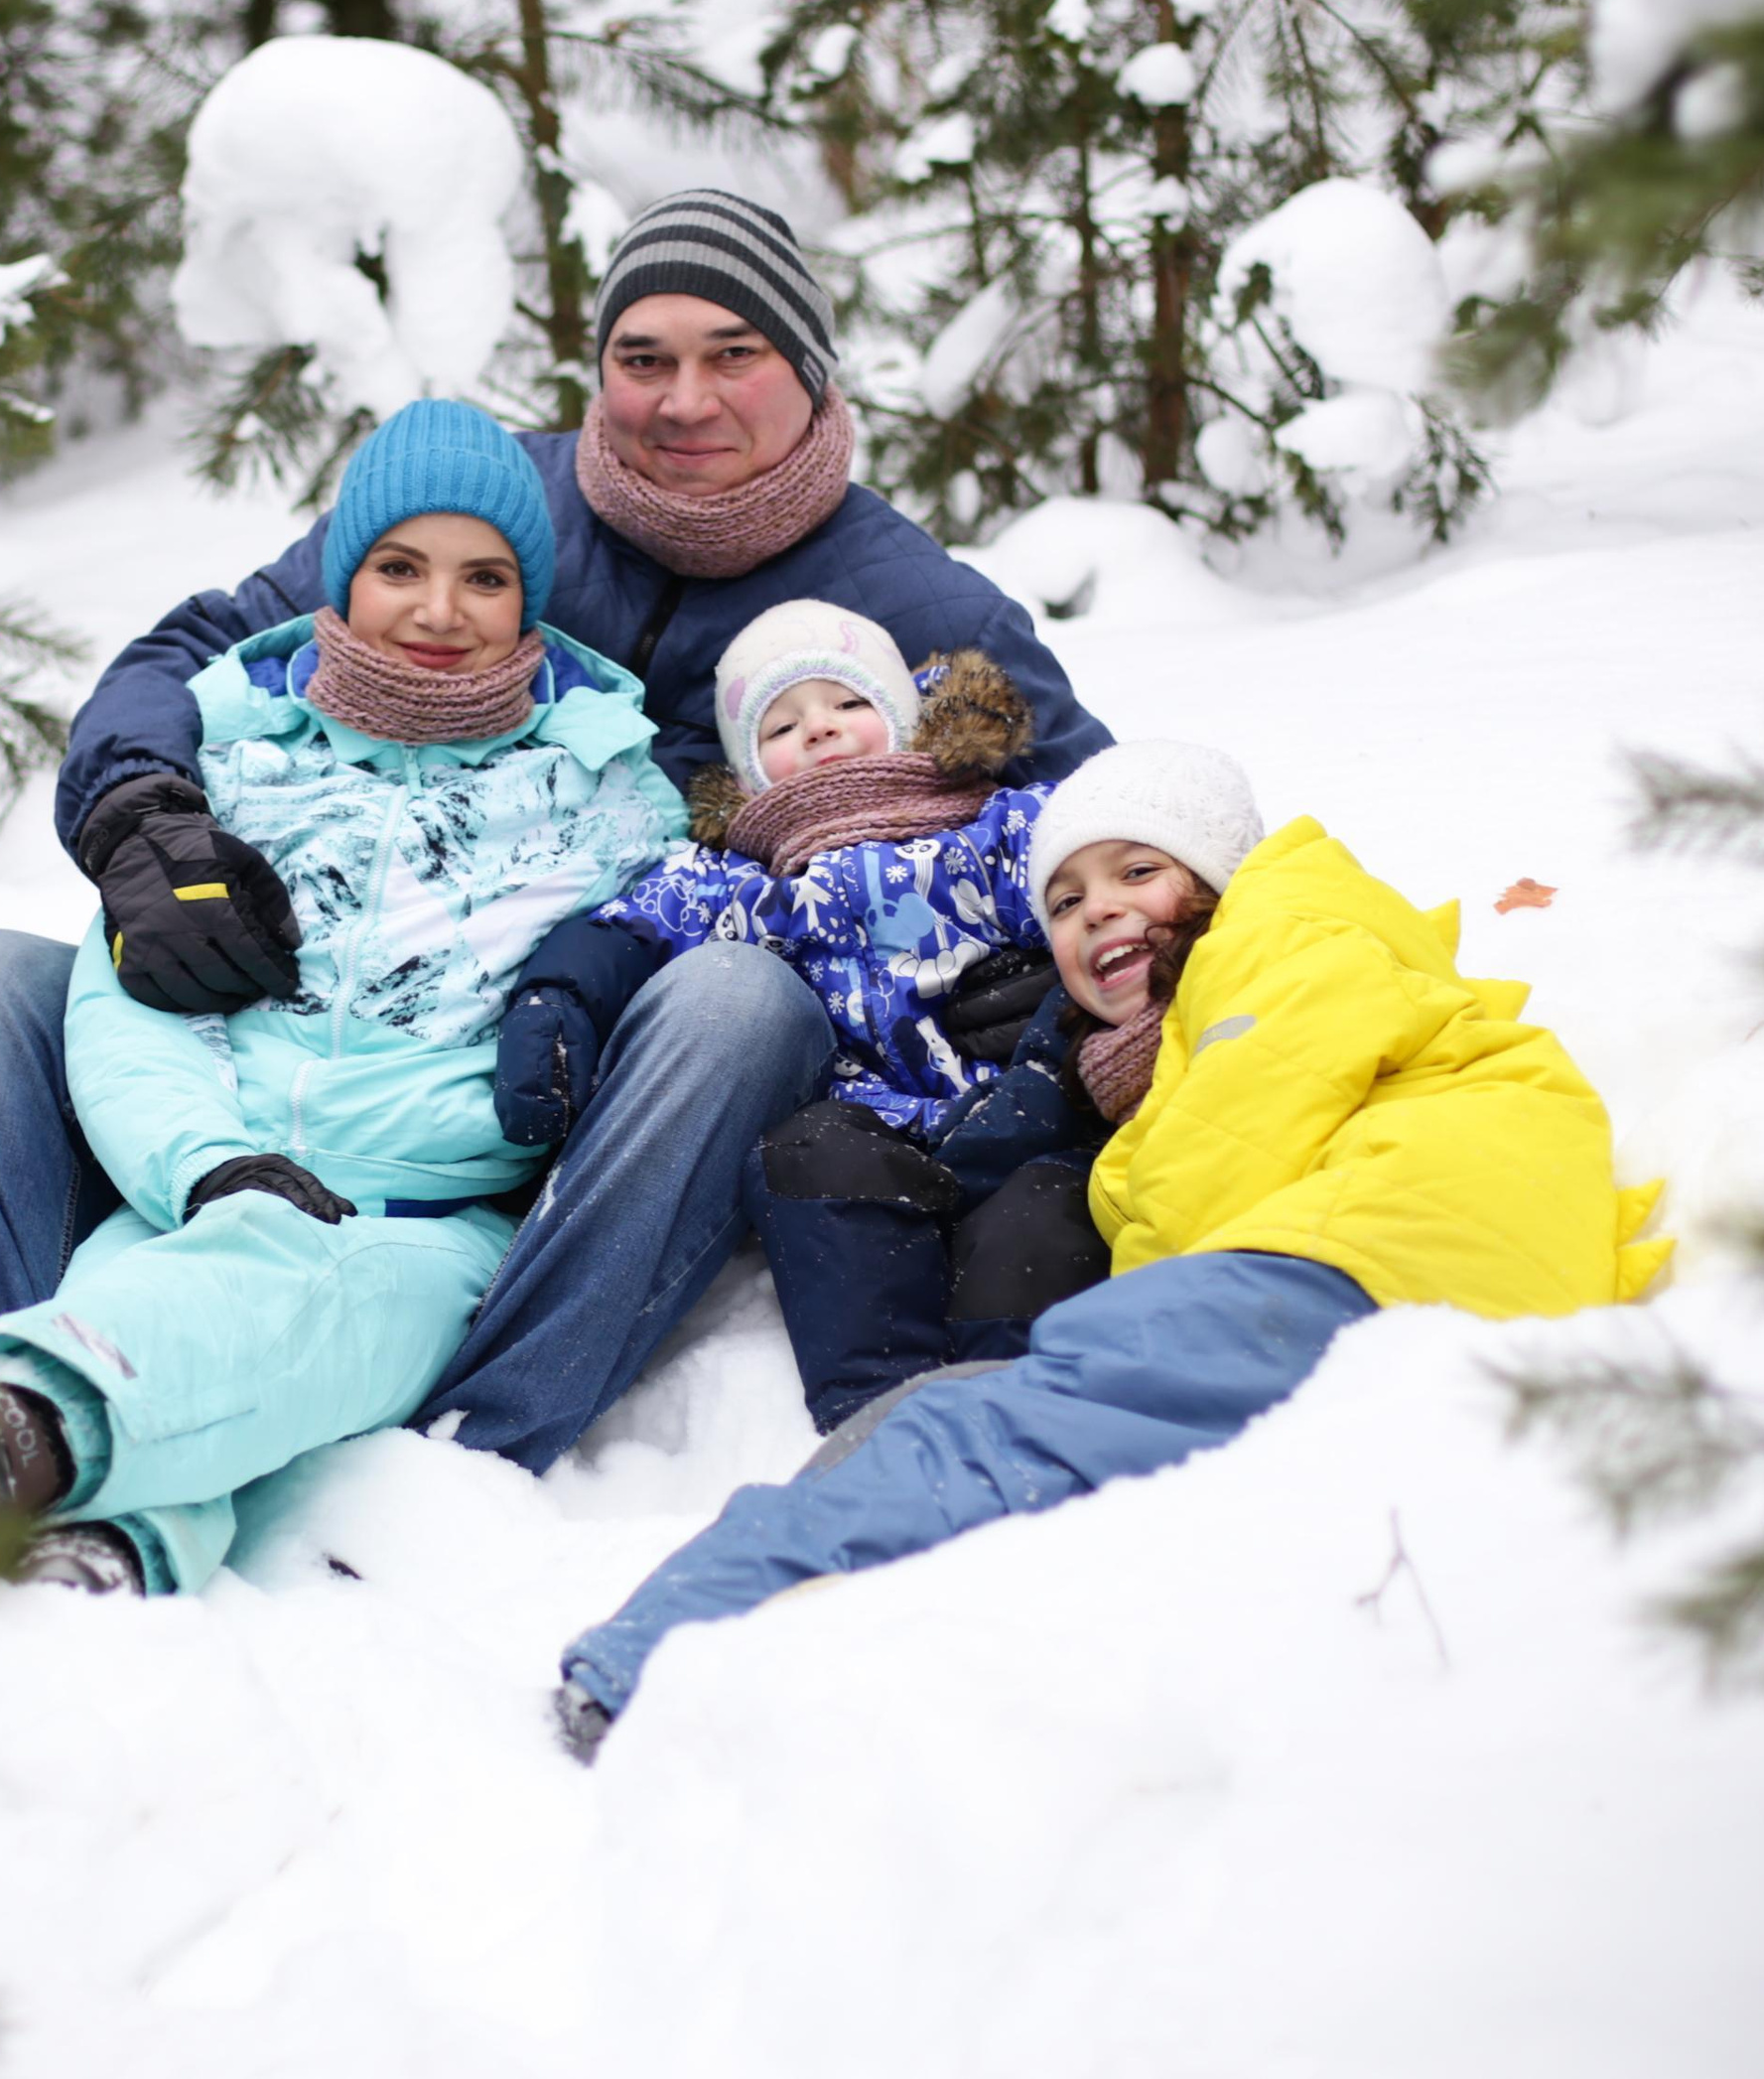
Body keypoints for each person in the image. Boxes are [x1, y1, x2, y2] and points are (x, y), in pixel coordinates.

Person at [0, 191, 1111, 1475]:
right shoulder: (484, 507)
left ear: (810, 370)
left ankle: (477, 1437)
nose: (684, 400)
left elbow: (1113, 833)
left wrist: (1052, 986)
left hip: (548, 1089)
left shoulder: (913, 601)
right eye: (645, 359)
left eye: (732, 355)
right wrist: (146, 814)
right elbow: (206, 649)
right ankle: (11, 1418)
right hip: (270, 1050)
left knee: (739, 1000)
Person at [553, 739, 1672, 1752]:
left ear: (1221, 875)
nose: (1100, 914)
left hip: (1368, 1256)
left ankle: (658, 1657)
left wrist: (1110, 1314)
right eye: (1067, 901)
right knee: (984, 1429)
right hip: (1444, 1274)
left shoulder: (1287, 926)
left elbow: (1216, 1163)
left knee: (981, 1432)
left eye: (1140, 872)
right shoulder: (1258, 998)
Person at [0, 402, 680, 1593]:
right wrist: (208, 1165)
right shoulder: (235, 755)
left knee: (271, 1309)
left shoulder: (607, 799)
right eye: (399, 567)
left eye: (484, 577)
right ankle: (109, 1556)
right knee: (187, 1337)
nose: (438, 609)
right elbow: (130, 1000)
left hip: (417, 1231)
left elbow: (639, 969)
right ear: (342, 573)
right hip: (194, 1192)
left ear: (528, 601)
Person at [495, 599, 1096, 1434]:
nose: (820, 731)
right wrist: (557, 996)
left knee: (1033, 1229)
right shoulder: (737, 878)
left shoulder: (1000, 827)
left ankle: (1039, 1420)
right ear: (746, 773)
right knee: (807, 1168)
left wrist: (1047, 1045)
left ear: (910, 721)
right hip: (866, 1127)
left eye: (851, 704)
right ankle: (880, 1424)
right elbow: (628, 929)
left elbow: (1111, 883)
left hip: (1019, 1110)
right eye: (781, 724)